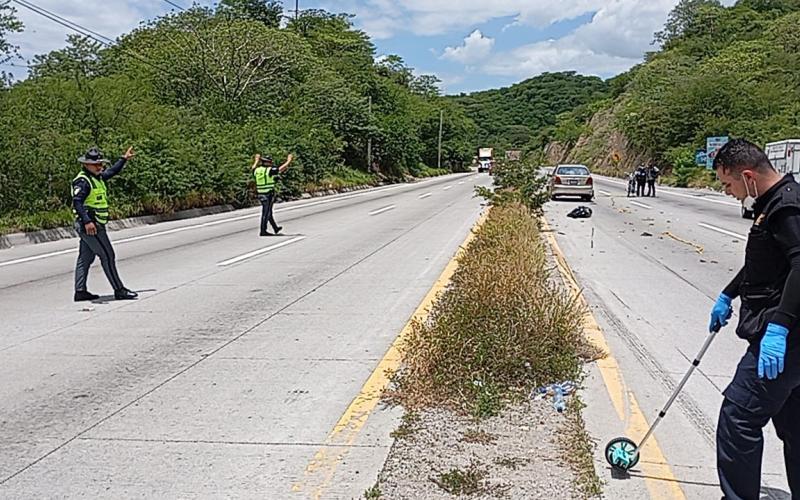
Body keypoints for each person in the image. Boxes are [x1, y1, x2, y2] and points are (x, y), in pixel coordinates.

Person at [709, 138, 800, 499]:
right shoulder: (773, 202)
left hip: (785, 336)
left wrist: (780, 326)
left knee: (739, 418)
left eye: (728, 184)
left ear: (747, 175)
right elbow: (764, 262)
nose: (729, 193)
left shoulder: (787, 206)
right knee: (794, 426)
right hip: (788, 333)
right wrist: (728, 293)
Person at [72, 146, 138, 301]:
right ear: (86, 164)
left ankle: (80, 291)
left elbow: (112, 172)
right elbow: (77, 202)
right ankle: (119, 290)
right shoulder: (83, 181)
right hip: (90, 226)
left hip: (95, 224)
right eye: (96, 164)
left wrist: (123, 159)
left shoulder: (97, 177)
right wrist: (87, 222)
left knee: (85, 258)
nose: (100, 167)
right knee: (107, 255)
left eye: (100, 164)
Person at [252, 153, 293, 236]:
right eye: (270, 162)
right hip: (267, 194)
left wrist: (256, 160)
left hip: (260, 193)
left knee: (268, 212)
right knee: (266, 213)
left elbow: (253, 168)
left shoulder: (257, 170)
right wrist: (289, 161)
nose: (271, 164)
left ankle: (275, 228)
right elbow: (281, 169)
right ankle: (263, 231)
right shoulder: (269, 170)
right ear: (267, 163)